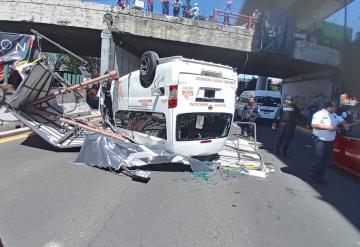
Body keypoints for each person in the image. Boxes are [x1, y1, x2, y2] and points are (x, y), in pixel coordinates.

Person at [310, 101, 347, 184]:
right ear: (329, 107)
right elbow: (314, 125)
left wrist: (345, 124)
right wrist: (328, 128)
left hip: (330, 142)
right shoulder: (319, 114)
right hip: (320, 141)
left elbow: (341, 121)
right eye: (334, 106)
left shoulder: (334, 115)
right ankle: (315, 175)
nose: (336, 108)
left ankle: (320, 175)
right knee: (319, 160)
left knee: (326, 161)